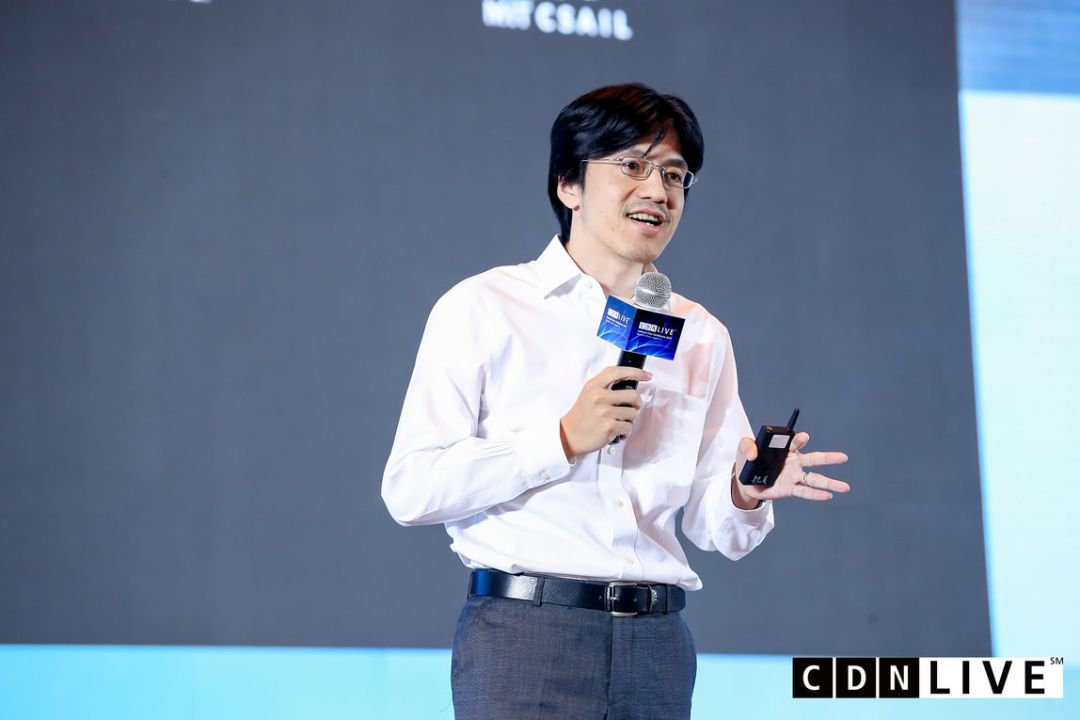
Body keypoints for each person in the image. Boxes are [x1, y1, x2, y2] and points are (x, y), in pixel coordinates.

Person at [381, 83, 849, 720]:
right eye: (632, 166)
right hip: (529, 635)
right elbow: (411, 489)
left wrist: (746, 491)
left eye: (675, 175)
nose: (658, 191)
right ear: (568, 184)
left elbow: (717, 527)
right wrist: (561, 440)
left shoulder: (700, 332)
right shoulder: (486, 307)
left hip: (656, 643)